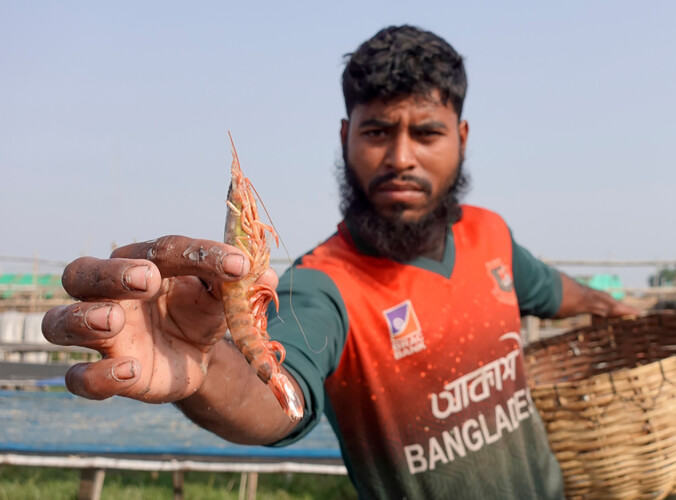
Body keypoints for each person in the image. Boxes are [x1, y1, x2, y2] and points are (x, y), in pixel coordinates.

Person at [42, 25, 638, 499]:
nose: (401, 157)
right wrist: (199, 373)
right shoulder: (320, 286)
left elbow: (551, 290)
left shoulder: (491, 234)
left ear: (461, 135)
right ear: (346, 134)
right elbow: (278, 400)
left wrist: (609, 305)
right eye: (378, 131)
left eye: (426, 133)